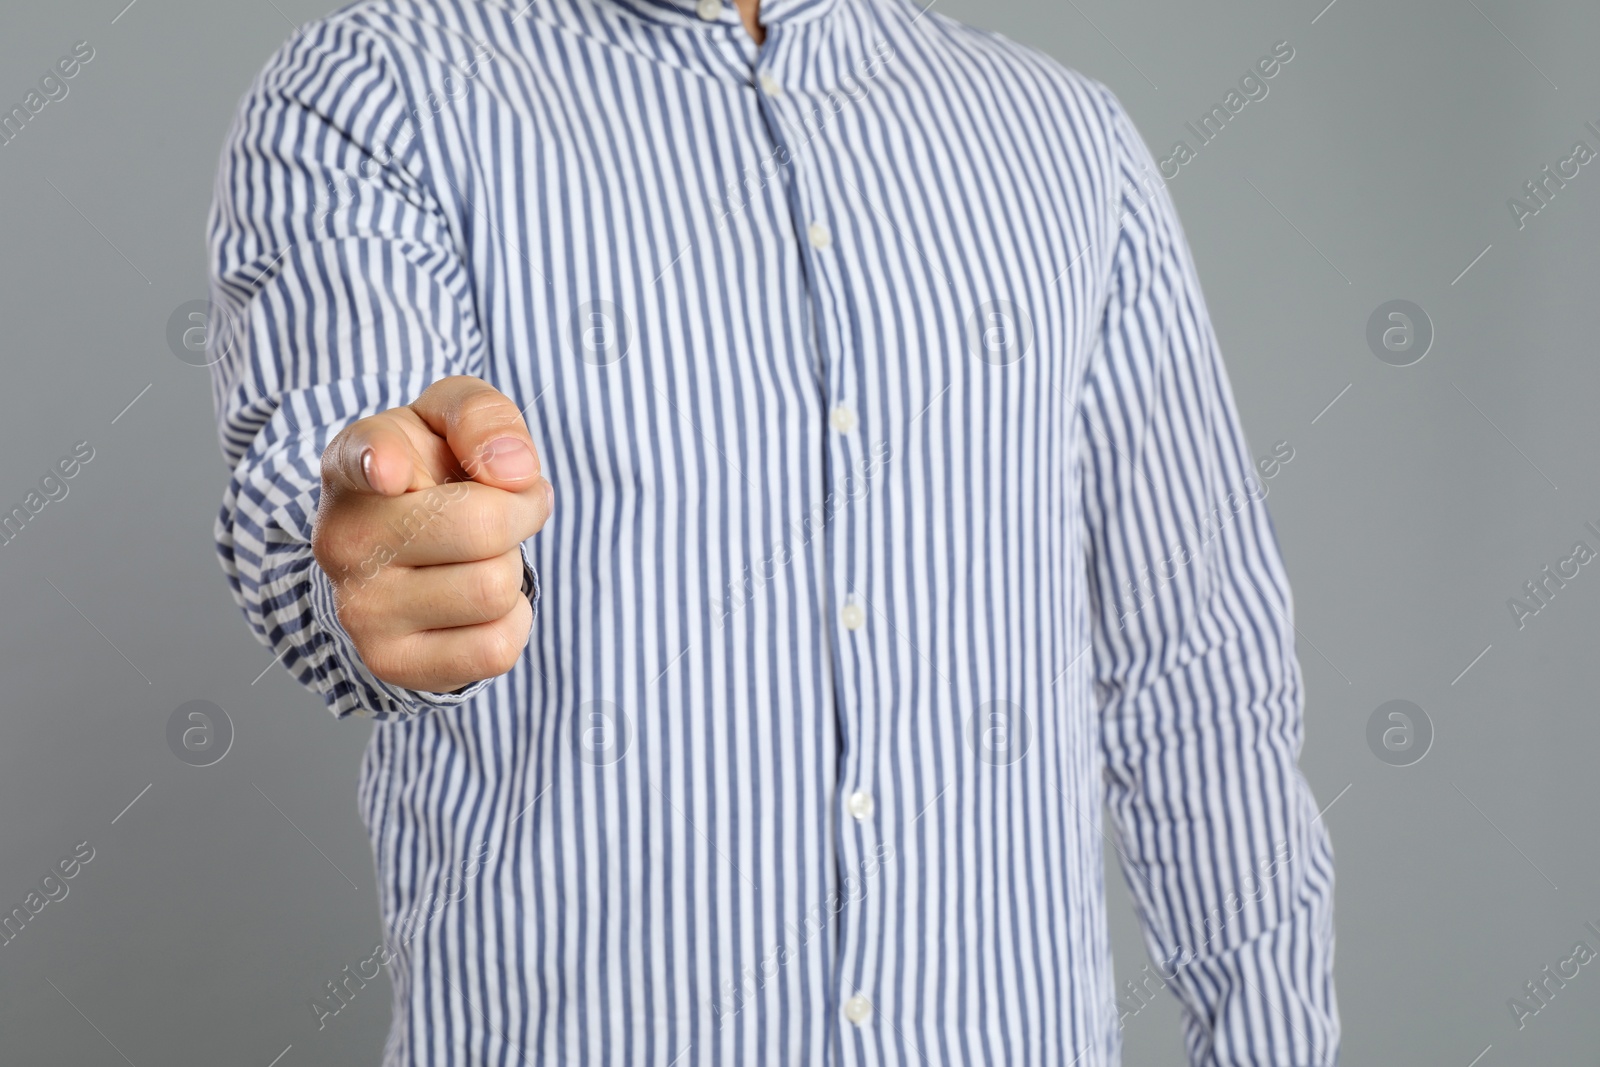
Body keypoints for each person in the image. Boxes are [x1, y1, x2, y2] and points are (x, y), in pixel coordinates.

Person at [206, 0, 1338, 1062]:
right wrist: (368, 553)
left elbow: (1198, 676)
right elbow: (332, 473)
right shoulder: (378, 87)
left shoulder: (1070, 143)